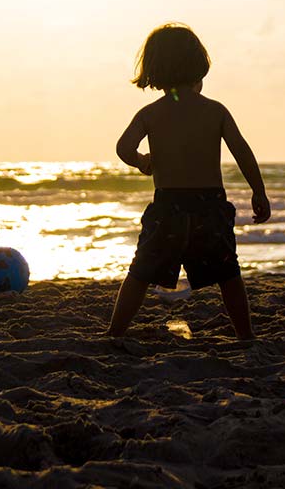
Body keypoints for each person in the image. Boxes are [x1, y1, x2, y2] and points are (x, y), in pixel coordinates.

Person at [109, 23, 270, 339]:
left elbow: (124, 148)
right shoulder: (215, 111)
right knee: (228, 274)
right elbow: (242, 151)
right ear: (198, 65)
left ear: (154, 69)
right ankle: (245, 336)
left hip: (167, 206)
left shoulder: (150, 113)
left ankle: (115, 332)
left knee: (140, 272)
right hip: (209, 206)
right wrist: (258, 191)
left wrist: (142, 161)